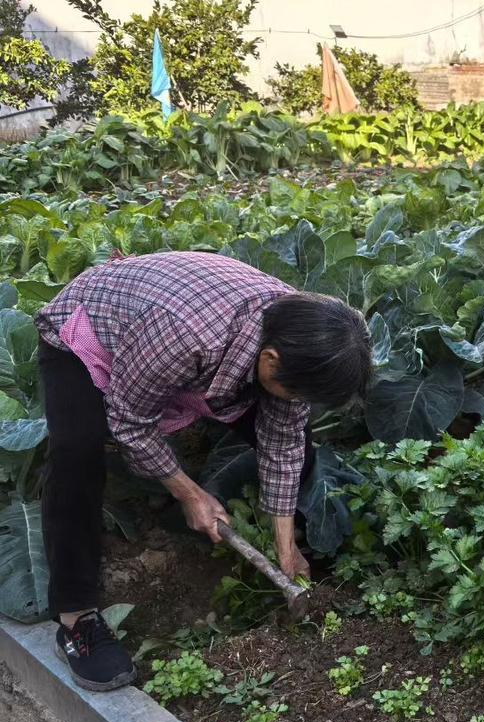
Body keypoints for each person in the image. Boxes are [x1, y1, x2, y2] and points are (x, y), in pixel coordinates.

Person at [35, 251, 372, 691]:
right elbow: (130, 422)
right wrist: (190, 493)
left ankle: (300, 555)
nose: (295, 401)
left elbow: (283, 443)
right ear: (270, 361)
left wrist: (283, 545)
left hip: (185, 343)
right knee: (76, 454)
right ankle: (76, 618)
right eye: (294, 391)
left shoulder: (302, 336)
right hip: (91, 330)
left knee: (298, 445)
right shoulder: (186, 334)